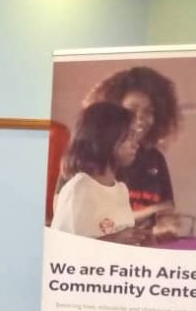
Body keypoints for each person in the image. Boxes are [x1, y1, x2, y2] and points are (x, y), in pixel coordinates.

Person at [82, 66, 181, 228]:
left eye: (148, 112)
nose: (140, 119)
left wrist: (165, 225)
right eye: (131, 110)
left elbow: (166, 211)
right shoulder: (87, 156)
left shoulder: (155, 159)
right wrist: (151, 211)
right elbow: (85, 219)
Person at [51, 101, 140, 241]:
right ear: (106, 137)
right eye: (129, 136)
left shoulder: (122, 190)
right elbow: (63, 247)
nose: (136, 144)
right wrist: (115, 239)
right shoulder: (78, 189)